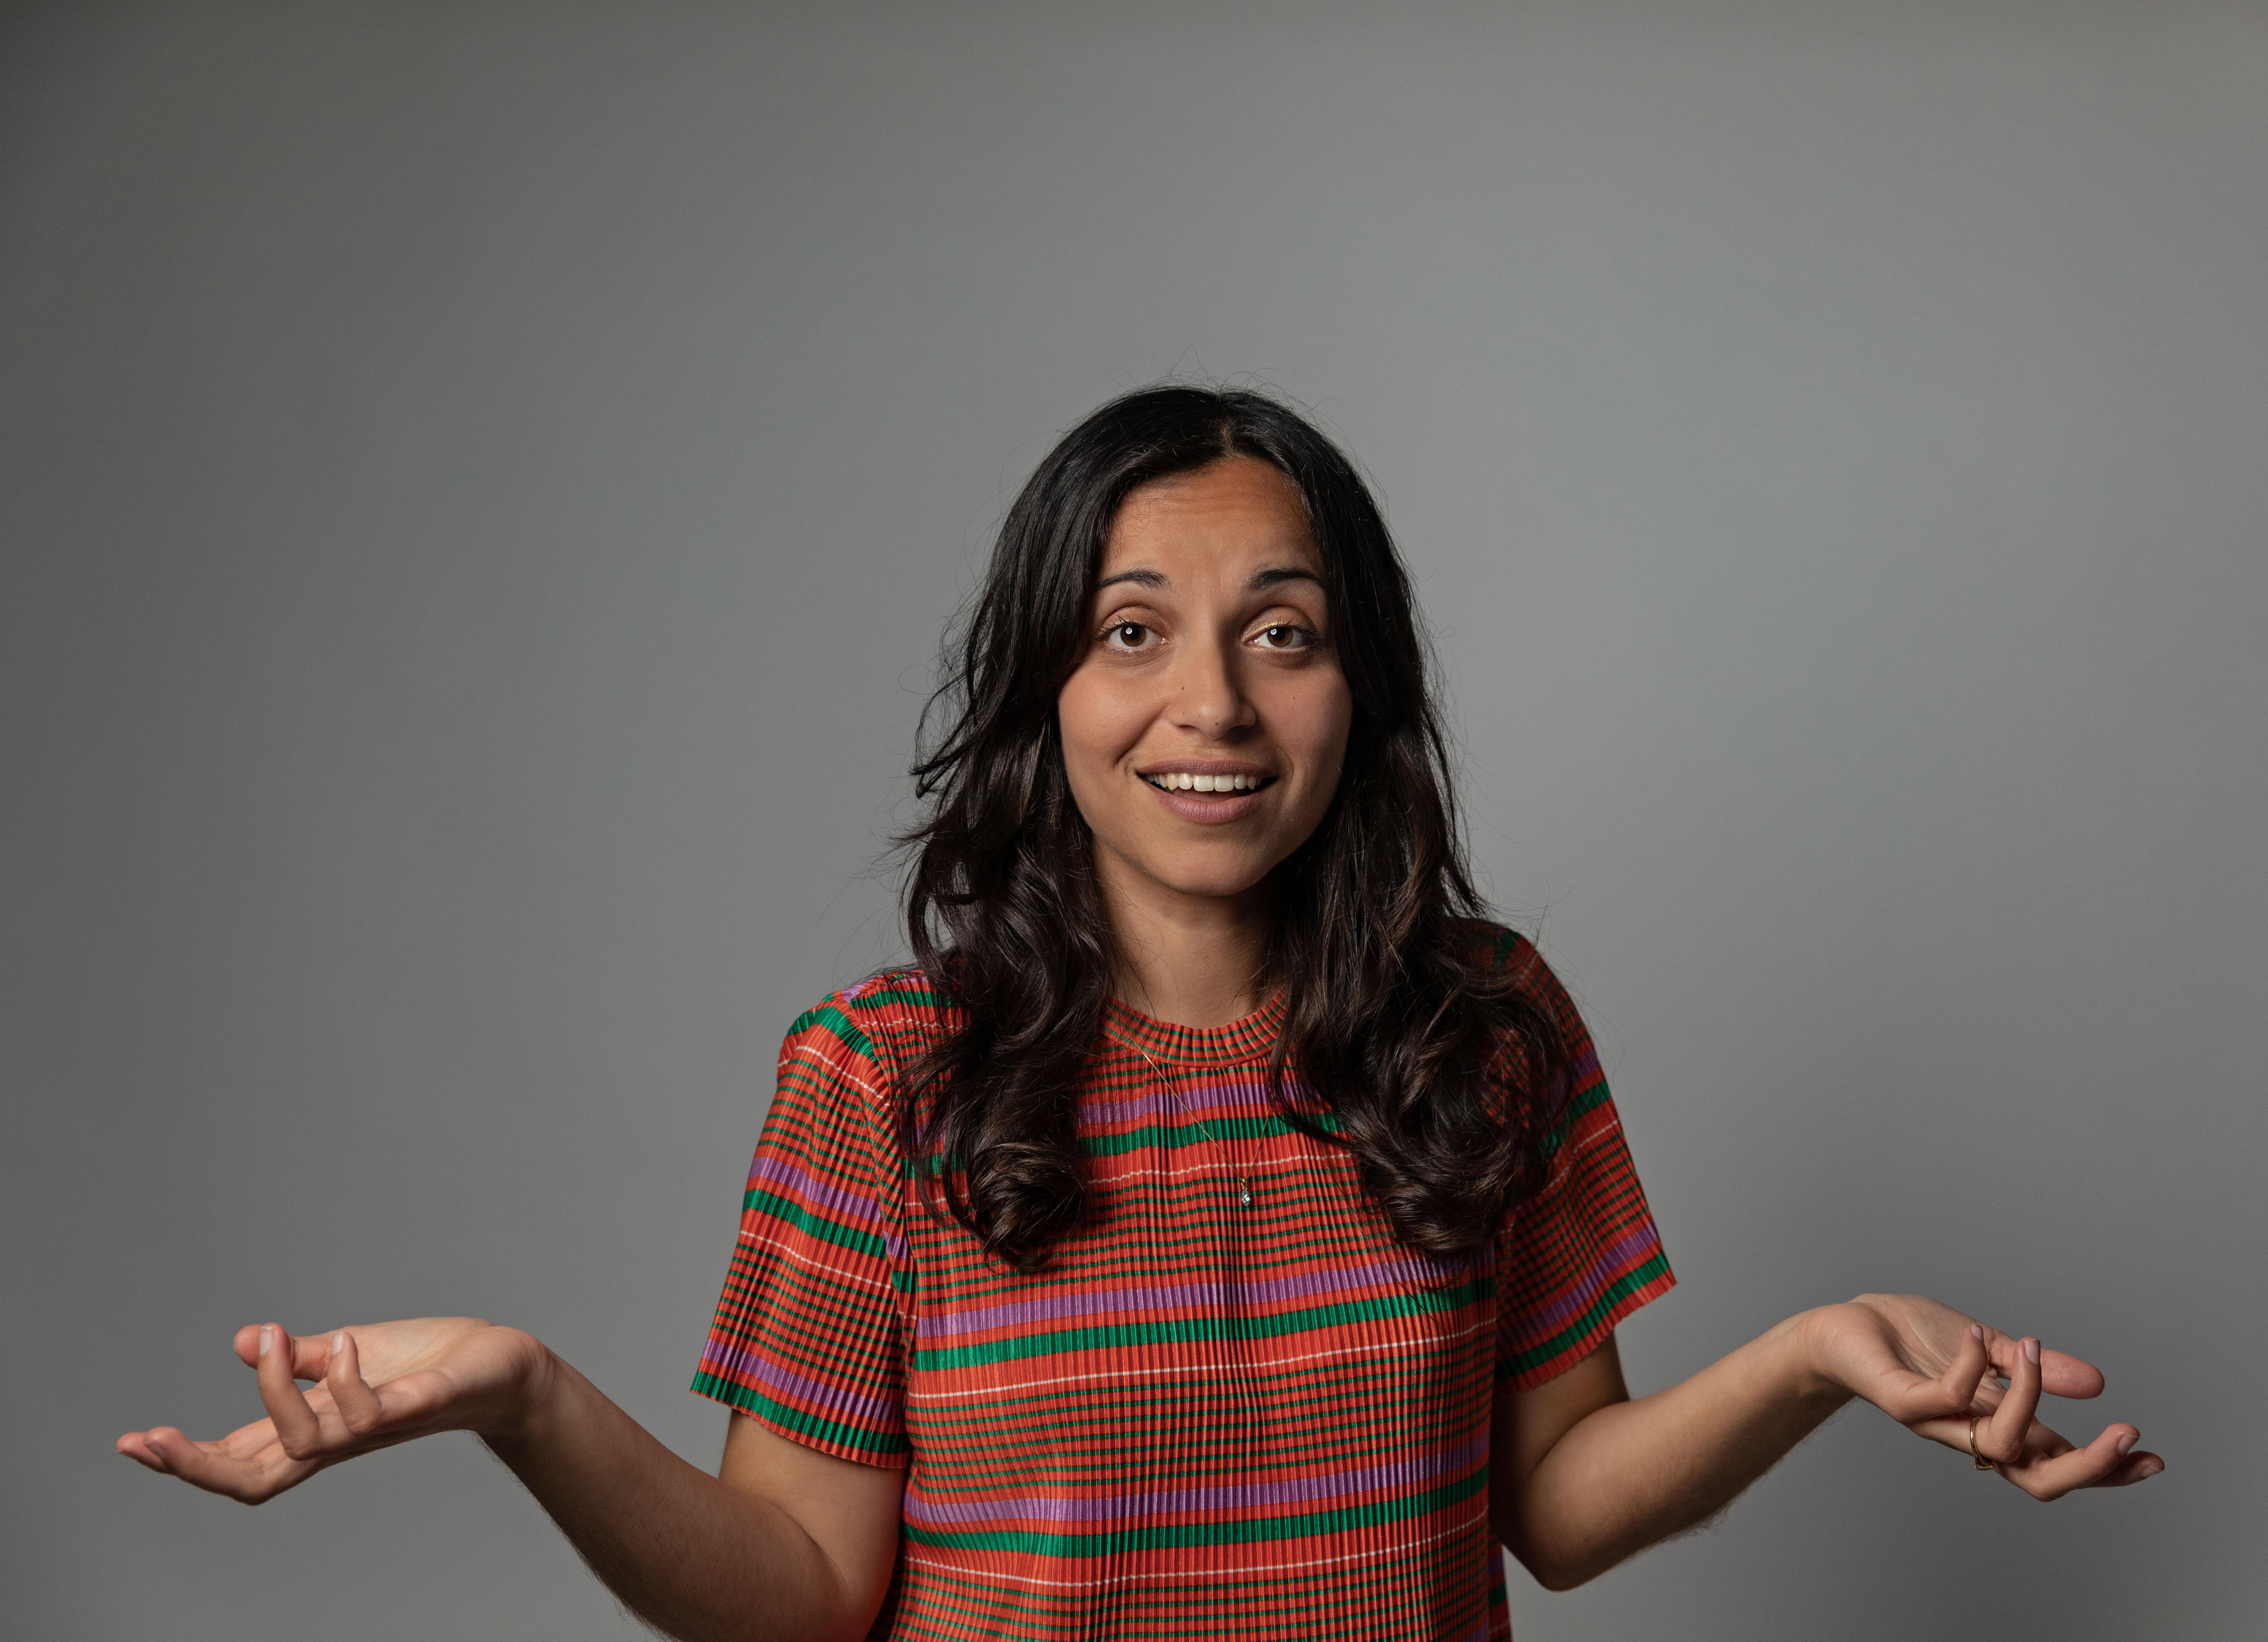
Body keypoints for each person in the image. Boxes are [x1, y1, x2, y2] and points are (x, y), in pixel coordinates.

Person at [117, 386, 2162, 1640]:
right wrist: (523, 1398)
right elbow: (806, 1589)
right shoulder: (875, 1077)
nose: (1212, 703)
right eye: (1132, 633)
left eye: (1281, 633)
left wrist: (1810, 1358)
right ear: (1047, 696)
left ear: (1352, 693)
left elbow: (1552, 1515)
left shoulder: (1486, 1026)